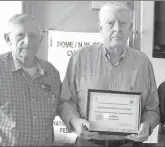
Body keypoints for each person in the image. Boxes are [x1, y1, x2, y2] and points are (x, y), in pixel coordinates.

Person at [59, 1, 159, 147]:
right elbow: (65, 101)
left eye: (123, 23)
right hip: (88, 143)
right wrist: (75, 121)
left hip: (129, 144)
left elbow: (152, 107)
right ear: (100, 27)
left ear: (130, 28)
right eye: (110, 23)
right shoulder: (79, 58)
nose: (117, 29)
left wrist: (148, 124)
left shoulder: (143, 63)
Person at [0, 14, 61, 146]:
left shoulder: (52, 73)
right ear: (8, 39)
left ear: (40, 40)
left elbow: (62, 106)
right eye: (20, 35)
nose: (28, 41)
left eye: (33, 36)